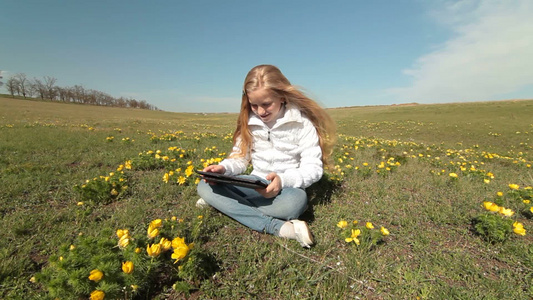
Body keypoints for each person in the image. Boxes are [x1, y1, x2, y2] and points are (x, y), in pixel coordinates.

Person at [196, 64, 336, 248]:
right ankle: (280, 227)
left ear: (282, 97)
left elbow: (313, 168)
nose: (260, 111)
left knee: (296, 203)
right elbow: (240, 158)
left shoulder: (302, 124)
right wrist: (223, 169)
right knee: (204, 186)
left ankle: (225, 204)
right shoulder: (249, 122)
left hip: (286, 189)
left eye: (266, 104)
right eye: (254, 105)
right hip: (254, 182)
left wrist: (282, 181)